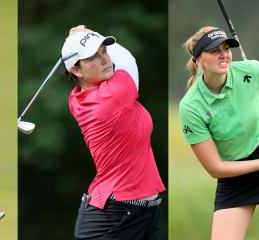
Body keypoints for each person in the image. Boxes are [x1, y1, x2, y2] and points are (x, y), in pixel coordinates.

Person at [179, 26, 259, 239]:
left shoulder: (251, 70)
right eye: (214, 50)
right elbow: (216, 168)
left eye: (226, 48)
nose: (224, 54)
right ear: (199, 60)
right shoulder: (191, 106)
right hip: (236, 175)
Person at [61, 26, 165, 240]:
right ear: (76, 70)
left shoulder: (77, 98)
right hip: (115, 215)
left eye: (104, 51)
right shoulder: (113, 95)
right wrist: (89, 31)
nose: (105, 60)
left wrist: (86, 39)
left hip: (141, 211)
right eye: (92, 57)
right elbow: (127, 58)